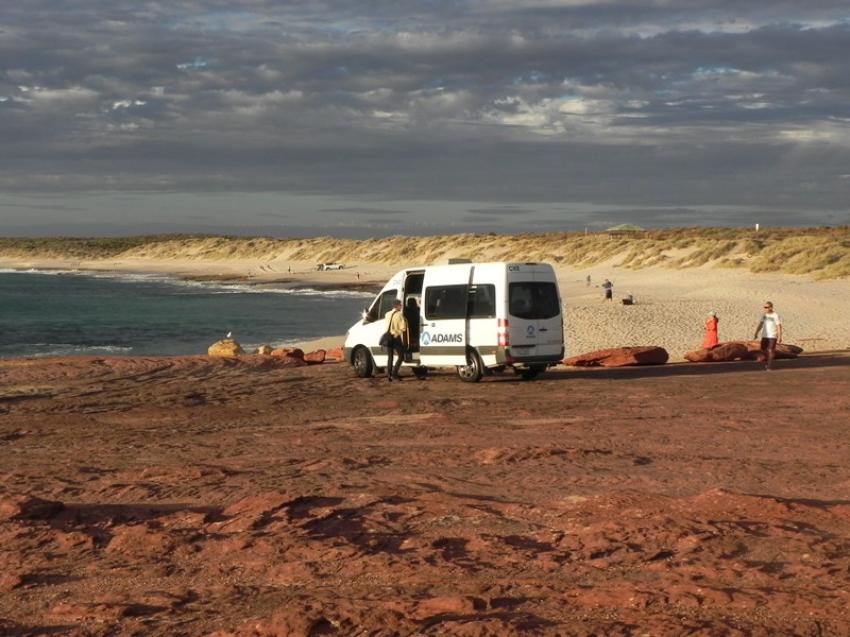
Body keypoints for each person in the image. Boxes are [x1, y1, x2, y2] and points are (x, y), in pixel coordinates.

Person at [754, 301, 782, 370]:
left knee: (770, 350)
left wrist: (779, 337)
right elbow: (760, 324)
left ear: (771, 307)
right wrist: (756, 332)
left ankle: (769, 366)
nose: (765, 308)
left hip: (772, 336)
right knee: (763, 350)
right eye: (764, 307)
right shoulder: (764, 315)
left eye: (766, 307)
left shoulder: (775, 315)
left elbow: (779, 326)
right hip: (764, 336)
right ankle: (767, 360)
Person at [385, 298, 407, 381]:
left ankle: (389, 375)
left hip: (387, 337)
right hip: (395, 337)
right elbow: (403, 327)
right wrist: (398, 332)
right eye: (400, 305)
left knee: (390, 357)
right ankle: (395, 374)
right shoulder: (399, 315)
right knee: (401, 356)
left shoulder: (387, 314)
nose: (401, 306)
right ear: (397, 306)